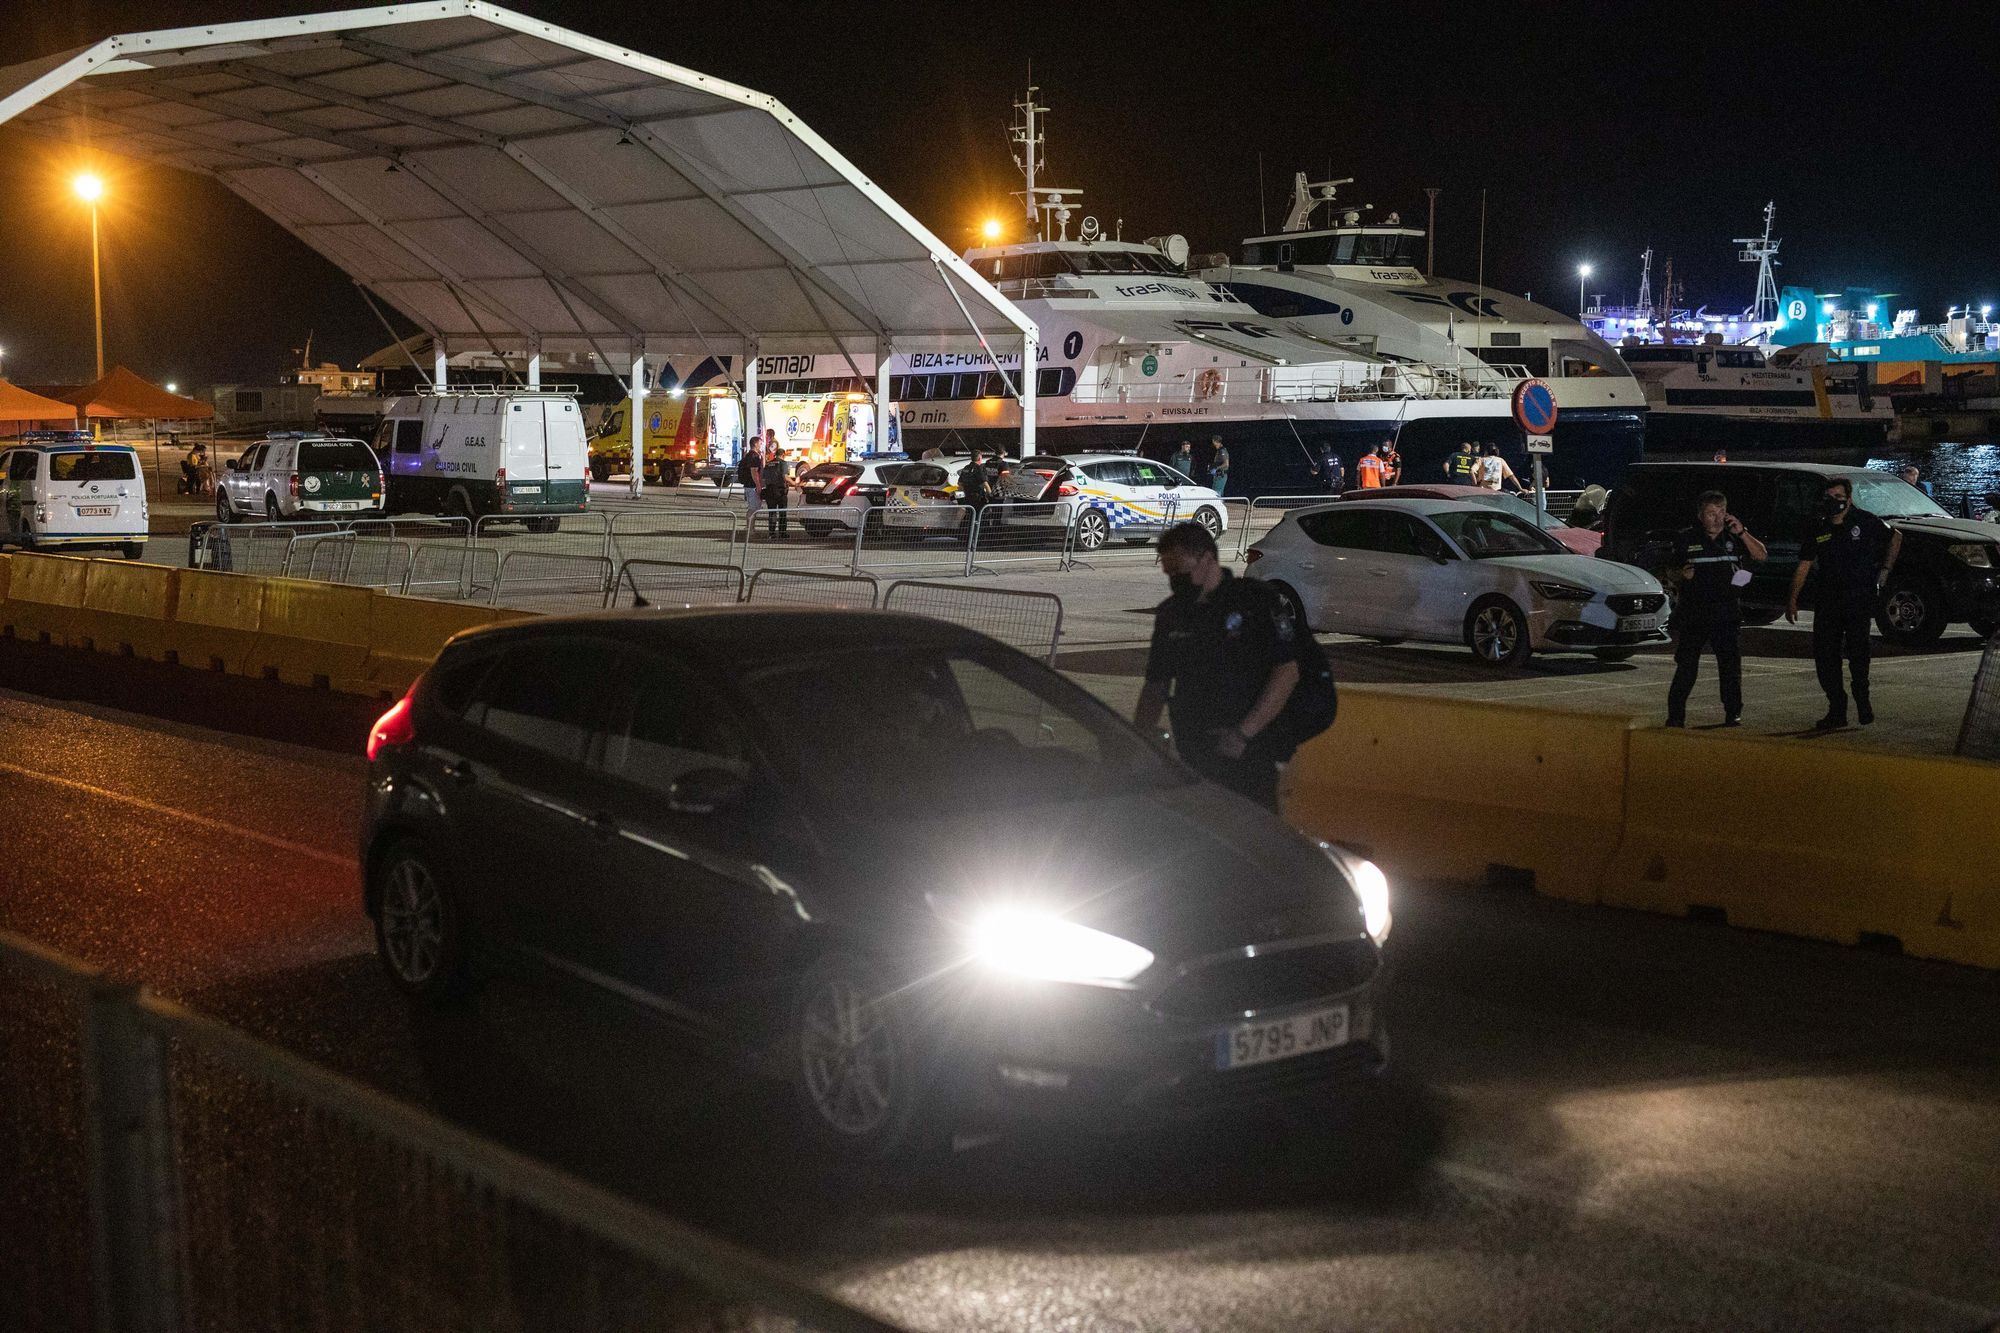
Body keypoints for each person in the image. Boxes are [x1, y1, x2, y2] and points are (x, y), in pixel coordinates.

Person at [1136, 521, 1302, 809]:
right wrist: (1135, 740)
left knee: (1253, 833)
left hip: (1250, 751)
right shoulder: (1171, 614)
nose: (1175, 580)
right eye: (1169, 573)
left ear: (1207, 559)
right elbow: (1156, 685)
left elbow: (1287, 671)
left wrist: (1243, 733)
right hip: (1193, 751)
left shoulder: (1256, 601)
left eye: (1180, 571)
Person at [1787, 476, 1900, 728]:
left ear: (1848, 500)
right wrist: (1792, 599)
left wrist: (1884, 571)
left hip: (1858, 599)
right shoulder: (1819, 527)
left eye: (1839, 497)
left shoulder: (1865, 521)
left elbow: (1896, 537)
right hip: (1828, 601)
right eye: (1830, 497)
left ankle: (1862, 697)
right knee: (1826, 656)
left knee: (1859, 652)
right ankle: (1836, 708)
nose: (1834, 502)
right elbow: (1804, 565)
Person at [1665, 491, 1768, 728]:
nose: (1717, 518)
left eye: (1721, 512)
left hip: (1726, 615)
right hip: (1695, 614)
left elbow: (1760, 556)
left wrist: (1742, 534)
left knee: (1730, 668)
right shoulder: (1686, 539)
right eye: (1712, 513)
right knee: (1687, 667)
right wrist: (1681, 574)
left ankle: (1733, 712)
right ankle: (1675, 716)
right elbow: (1669, 571)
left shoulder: (1734, 538)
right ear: (1701, 516)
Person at [760, 439, 791, 538]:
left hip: (769, 490)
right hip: (780, 491)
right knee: (782, 512)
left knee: (772, 513)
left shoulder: (768, 464)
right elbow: (785, 477)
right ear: (783, 455)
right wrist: (795, 483)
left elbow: (763, 478)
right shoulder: (783, 463)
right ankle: (782, 533)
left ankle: (772, 533)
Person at [736, 439, 764, 522]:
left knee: (754, 508)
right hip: (752, 486)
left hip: (748, 485)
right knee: (753, 508)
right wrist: (758, 485)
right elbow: (754, 471)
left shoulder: (749, 455)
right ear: (755, 444)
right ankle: (750, 530)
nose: (761, 445)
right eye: (760, 443)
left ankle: (751, 529)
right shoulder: (754, 457)